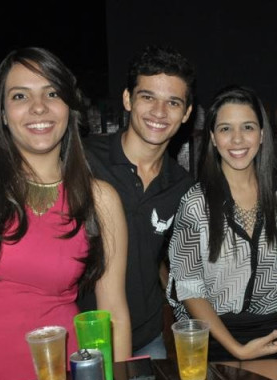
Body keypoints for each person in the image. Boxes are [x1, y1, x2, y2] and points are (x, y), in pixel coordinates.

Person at [0, 47, 131, 380]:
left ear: (69, 107)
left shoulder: (100, 200)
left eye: (52, 93)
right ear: (1, 112)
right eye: (20, 96)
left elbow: (115, 316)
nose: (39, 107)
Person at [166, 85, 277, 380]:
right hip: (210, 334)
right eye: (226, 129)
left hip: (271, 331)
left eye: (248, 127)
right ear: (213, 138)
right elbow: (189, 289)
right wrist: (237, 349)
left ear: (262, 135)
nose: (237, 139)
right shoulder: (195, 204)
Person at [79, 45, 195, 358]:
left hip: (146, 337)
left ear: (186, 113)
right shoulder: (83, 160)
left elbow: (169, 260)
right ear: (128, 99)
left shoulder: (183, 187)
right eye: (148, 97)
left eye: (173, 102)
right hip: (81, 337)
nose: (159, 111)